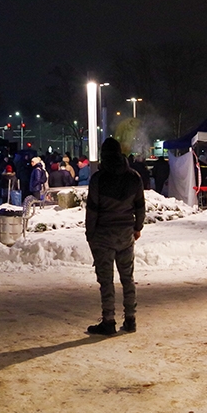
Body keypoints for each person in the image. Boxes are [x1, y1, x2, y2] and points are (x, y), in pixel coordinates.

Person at [85, 137, 145, 336]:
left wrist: (90, 234)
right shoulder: (134, 177)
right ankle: (130, 319)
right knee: (128, 278)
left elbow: (92, 210)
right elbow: (140, 207)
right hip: (126, 234)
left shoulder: (98, 179)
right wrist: (137, 227)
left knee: (106, 280)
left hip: (103, 235)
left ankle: (108, 321)